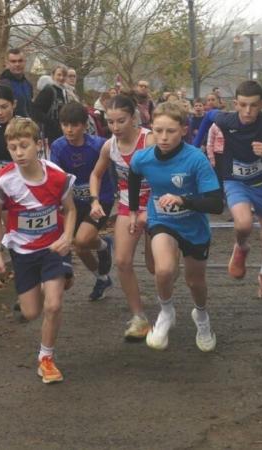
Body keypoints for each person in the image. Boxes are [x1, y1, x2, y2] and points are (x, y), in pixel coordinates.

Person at [129, 102, 223, 352]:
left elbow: (216, 203)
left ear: (184, 130)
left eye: (170, 131)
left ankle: (202, 317)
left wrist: (184, 200)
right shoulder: (144, 157)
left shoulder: (196, 159)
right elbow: (133, 174)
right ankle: (166, 312)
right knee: (164, 270)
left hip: (194, 226)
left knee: (195, 282)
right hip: (163, 221)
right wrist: (133, 210)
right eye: (158, 130)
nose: (163, 137)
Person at [0, 117, 76, 384]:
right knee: (30, 312)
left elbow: (70, 210)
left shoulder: (57, 177)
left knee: (54, 304)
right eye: (13, 147)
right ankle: (48, 284)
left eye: (24, 146)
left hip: (52, 247)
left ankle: (46, 359)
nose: (18, 152)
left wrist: (68, 237)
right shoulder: (4, 181)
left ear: (38, 145)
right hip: (23, 252)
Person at [89, 95, 155, 341]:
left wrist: (153, 209)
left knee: (155, 267)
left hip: (156, 206)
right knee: (123, 261)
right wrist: (95, 200)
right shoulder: (110, 146)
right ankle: (139, 318)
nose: (115, 127)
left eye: (121, 121)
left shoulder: (149, 141)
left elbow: (169, 174)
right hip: (128, 206)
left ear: (134, 118)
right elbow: (95, 175)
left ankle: (166, 303)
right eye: (110, 122)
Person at [213, 80, 262, 299]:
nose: (248, 111)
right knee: (243, 223)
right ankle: (241, 246)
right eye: (243, 105)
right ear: (235, 104)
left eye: (253, 105)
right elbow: (209, 117)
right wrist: (197, 144)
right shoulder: (226, 119)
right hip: (235, 181)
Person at [50, 102, 115, 301]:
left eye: (75, 125)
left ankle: (102, 245)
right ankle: (102, 276)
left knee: (82, 240)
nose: (69, 129)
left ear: (85, 125)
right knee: (79, 247)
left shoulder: (98, 145)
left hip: (100, 198)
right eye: (65, 124)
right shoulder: (58, 147)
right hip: (74, 203)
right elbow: (56, 177)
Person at [31, 65, 69, 146]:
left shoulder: (64, 91)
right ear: (52, 76)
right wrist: (51, 122)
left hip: (62, 132)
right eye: (59, 75)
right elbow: (35, 111)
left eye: (64, 75)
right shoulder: (49, 91)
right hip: (50, 135)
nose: (61, 78)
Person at [0, 48, 33, 118]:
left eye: (20, 61)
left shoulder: (28, 85)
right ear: (7, 63)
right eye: (13, 61)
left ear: (25, 62)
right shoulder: (1, 86)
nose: (17, 64)